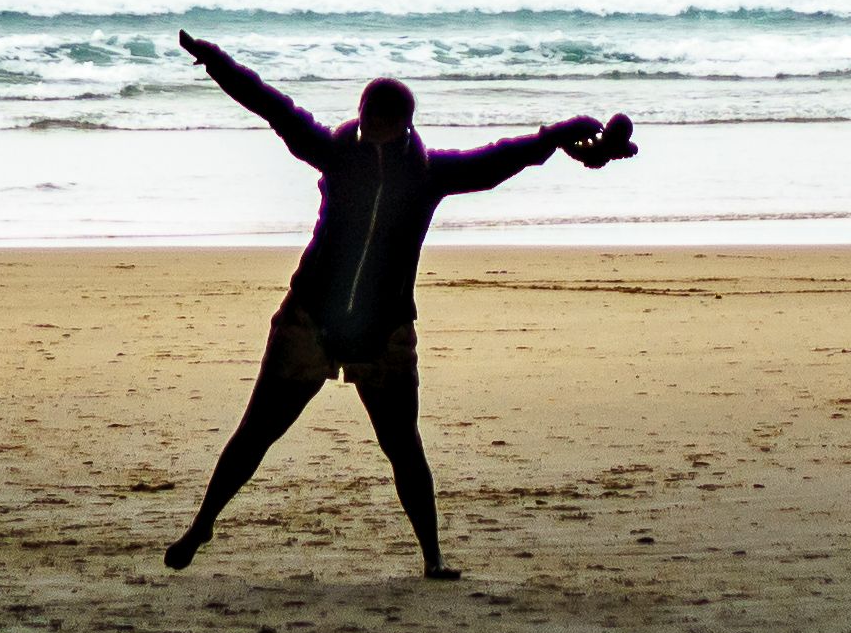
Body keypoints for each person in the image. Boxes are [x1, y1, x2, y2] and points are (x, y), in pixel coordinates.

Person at [163, 31, 637, 578]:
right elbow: (271, 104)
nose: (373, 131)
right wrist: (215, 61)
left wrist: (556, 136)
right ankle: (202, 524)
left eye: (383, 124)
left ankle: (433, 557)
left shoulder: (429, 173)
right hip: (310, 318)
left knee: (403, 447)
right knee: (256, 432)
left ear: (406, 125)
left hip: (384, 330)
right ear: (360, 114)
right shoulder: (334, 153)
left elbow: (499, 160)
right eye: (367, 121)